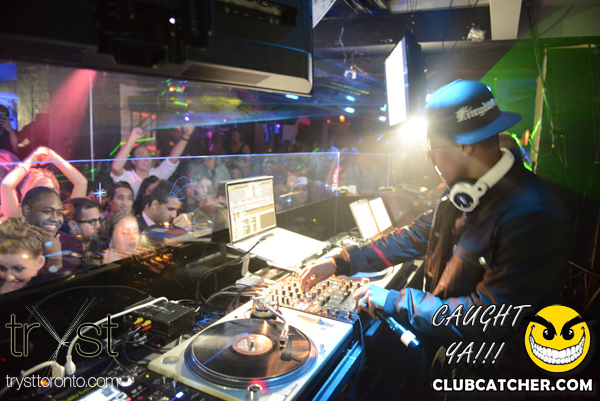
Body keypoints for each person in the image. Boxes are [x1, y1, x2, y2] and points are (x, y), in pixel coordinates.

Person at [300, 80, 571, 378]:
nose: (430, 162)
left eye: (432, 151)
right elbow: (414, 236)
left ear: (464, 146)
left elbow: (485, 316)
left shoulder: (532, 215)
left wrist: (394, 301)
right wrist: (342, 260)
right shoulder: (468, 191)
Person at [1, 146, 88, 219]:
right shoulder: (20, 216)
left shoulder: (65, 214)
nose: (47, 193)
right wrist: (29, 161)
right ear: (26, 192)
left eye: (51, 189)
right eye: (40, 190)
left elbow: (81, 183)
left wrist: (53, 157)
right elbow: (6, 185)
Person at [111, 124, 193, 197]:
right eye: (141, 155)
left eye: (148, 154)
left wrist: (186, 135)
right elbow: (116, 168)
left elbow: (173, 158)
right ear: (133, 161)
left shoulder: (157, 174)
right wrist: (133, 138)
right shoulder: (129, 177)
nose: (146, 158)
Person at [21, 186, 83, 275]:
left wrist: (55, 257)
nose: (55, 219)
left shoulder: (69, 243)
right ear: (26, 211)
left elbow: (62, 281)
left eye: (59, 213)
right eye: (47, 211)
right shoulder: (10, 242)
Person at [0, 217, 46, 294]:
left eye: (18, 269)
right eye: (2, 268)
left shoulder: (54, 287)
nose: (9, 278)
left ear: (39, 263)